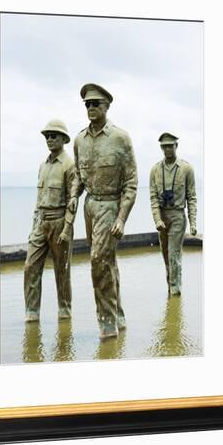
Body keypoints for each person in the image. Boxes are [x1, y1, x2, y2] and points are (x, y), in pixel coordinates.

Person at [68, 83, 138, 339]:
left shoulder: (121, 138)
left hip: (110, 206)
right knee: (106, 263)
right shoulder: (78, 140)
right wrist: (73, 196)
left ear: (107, 106)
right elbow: (78, 175)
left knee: (98, 262)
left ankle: (107, 326)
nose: (91, 108)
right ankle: (119, 316)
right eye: (87, 104)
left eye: (95, 103)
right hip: (90, 207)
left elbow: (131, 183)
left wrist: (121, 218)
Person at [24, 119, 76, 322]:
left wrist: (67, 228)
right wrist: (33, 226)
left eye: (54, 135)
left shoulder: (69, 165)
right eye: (47, 136)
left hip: (60, 223)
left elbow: (73, 199)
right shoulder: (43, 166)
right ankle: (32, 311)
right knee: (30, 266)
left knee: (61, 270)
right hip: (41, 223)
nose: (50, 139)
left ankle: (65, 310)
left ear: (63, 138)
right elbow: (38, 201)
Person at [149, 133, 197, 296]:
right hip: (162, 217)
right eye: (164, 146)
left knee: (174, 253)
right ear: (161, 148)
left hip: (177, 215)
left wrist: (193, 223)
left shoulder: (186, 168)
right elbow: (153, 198)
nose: (167, 149)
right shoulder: (155, 170)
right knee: (166, 255)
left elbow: (191, 197)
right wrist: (157, 220)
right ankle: (171, 288)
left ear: (176, 146)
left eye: (170, 145)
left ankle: (175, 291)